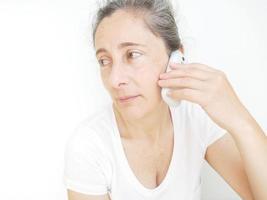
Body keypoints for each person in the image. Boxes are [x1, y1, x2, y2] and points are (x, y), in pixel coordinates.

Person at [63, 0, 267, 199]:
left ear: (176, 59)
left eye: (132, 54)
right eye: (104, 61)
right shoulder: (89, 146)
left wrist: (241, 122)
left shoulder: (195, 116)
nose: (115, 80)